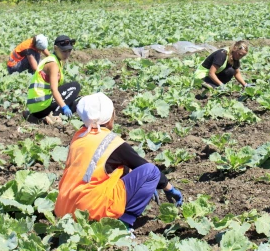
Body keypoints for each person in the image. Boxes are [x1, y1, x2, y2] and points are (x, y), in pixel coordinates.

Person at [55, 93, 183, 229]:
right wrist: (169, 188)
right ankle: (123, 225)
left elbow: (111, 168)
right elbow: (149, 169)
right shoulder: (112, 142)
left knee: (122, 169)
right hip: (89, 210)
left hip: (65, 210)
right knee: (151, 172)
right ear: (110, 118)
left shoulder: (79, 136)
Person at [25, 35, 81, 124]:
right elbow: (54, 90)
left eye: (69, 51)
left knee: (77, 101)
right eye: (64, 51)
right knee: (75, 87)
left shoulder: (54, 59)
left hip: (36, 106)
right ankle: (55, 115)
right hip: (41, 106)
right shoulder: (53, 64)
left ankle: (41, 117)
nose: (67, 54)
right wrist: (64, 107)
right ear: (55, 48)